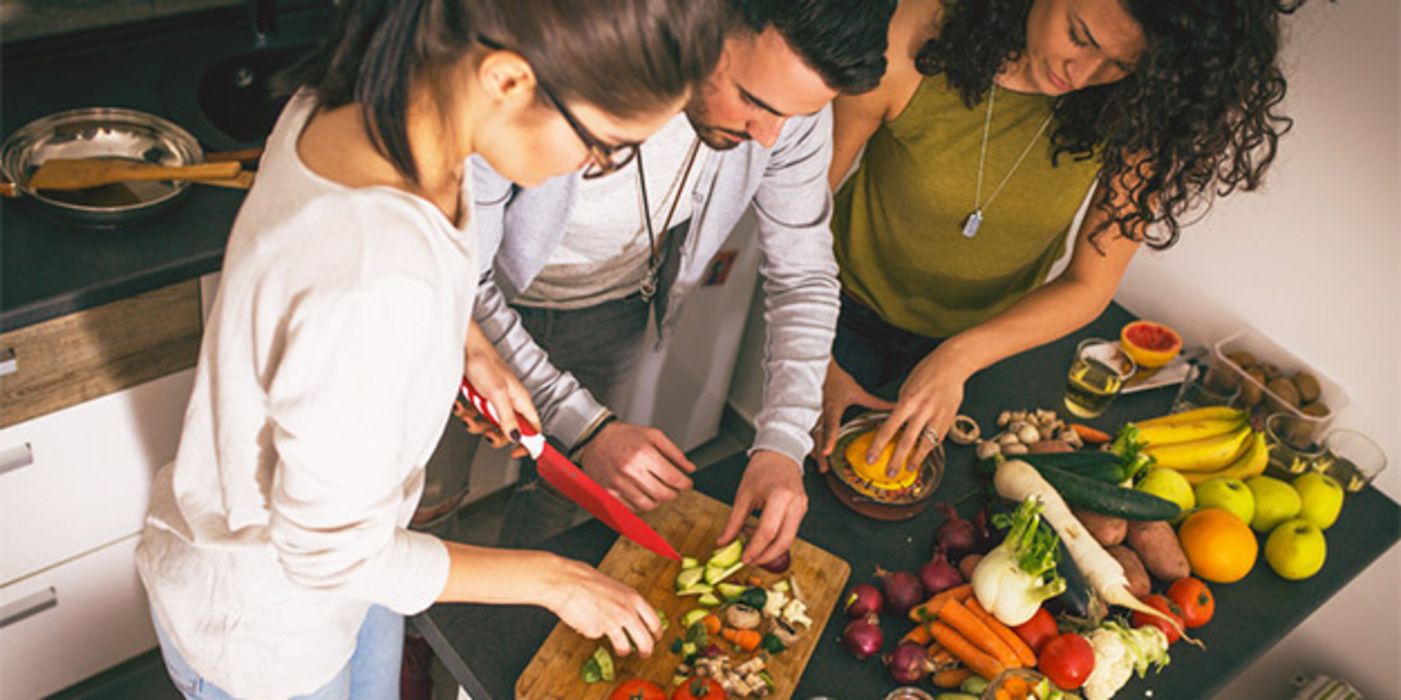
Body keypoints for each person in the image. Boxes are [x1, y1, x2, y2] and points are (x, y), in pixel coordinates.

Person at [133, 0, 726, 697]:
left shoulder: (378, 101)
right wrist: (554, 580)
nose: (596, 165)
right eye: (604, 145)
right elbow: (323, 554)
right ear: (506, 80)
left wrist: (464, 348)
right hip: (269, 628)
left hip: (351, 566)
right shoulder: (374, 280)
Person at [463, 0, 896, 566]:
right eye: (753, 102)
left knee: (561, 494)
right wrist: (586, 427)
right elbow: (455, 276)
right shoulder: (559, 57)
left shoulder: (787, 112)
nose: (768, 137)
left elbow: (804, 274)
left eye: (792, 118)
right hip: (452, 307)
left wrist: (783, 441)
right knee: (424, 490)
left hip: (606, 307)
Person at [816, 0, 1303, 475]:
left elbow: (1090, 282)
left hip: (992, 340)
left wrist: (959, 357)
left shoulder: (1135, 112)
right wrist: (816, 360)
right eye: (1079, 36)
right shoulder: (909, 36)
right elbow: (795, 217)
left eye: (1121, 63)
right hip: (841, 314)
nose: (1084, 74)